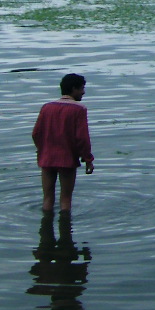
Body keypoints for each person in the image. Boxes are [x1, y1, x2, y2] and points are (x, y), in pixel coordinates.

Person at [32, 73, 94, 213]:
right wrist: (88, 159)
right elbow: (82, 138)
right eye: (81, 88)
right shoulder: (79, 109)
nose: (83, 92)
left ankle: (46, 229)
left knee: (47, 199)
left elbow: (36, 133)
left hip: (47, 158)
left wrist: (41, 150)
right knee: (66, 199)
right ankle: (66, 230)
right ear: (73, 89)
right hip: (67, 159)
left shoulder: (46, 107)